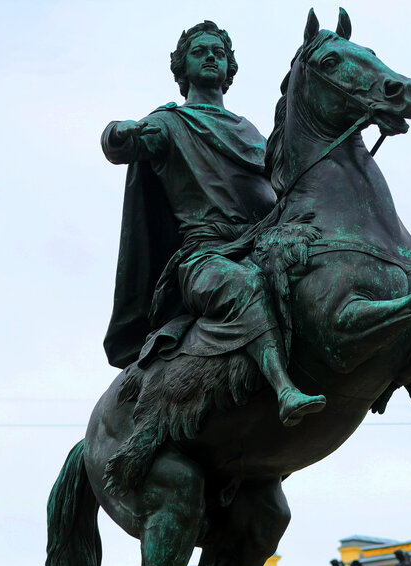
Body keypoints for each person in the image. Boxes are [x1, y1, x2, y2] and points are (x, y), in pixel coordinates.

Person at [102, 21, 325, 427]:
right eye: (200, 51)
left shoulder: (251, 132)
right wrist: (118, 133)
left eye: (219, 53)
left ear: (229, 68)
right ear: (182, 67)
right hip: (204, 257)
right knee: (244, 285)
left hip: (259, 245)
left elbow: (282, 183)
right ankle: (284, 389)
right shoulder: (169, 124)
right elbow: (122, 145)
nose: (210, 56)